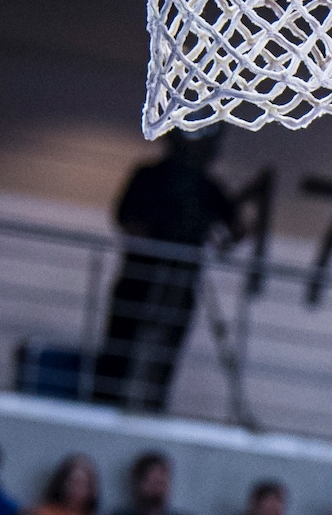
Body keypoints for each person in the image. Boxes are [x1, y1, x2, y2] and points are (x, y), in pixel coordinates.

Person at [96, 133, 236, 412]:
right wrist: (153, 244)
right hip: (141, 274)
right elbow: (125, 218)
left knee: (166, 350)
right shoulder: (150, 176)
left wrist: (215, 238)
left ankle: (152, 404)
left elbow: (237, 227)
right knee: (121, 342)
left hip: (181, 280)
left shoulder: (207, 187)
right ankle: (105, 401)